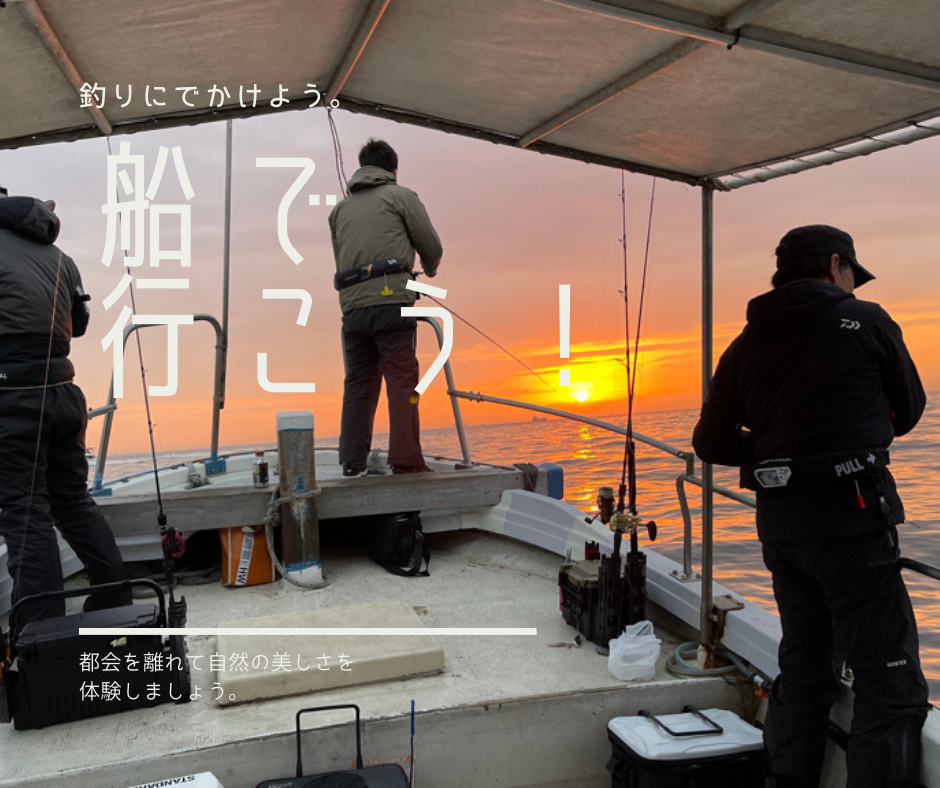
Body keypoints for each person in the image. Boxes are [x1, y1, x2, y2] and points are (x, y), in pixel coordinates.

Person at [692, 225, 930, 788]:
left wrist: (777, 451)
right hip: (853, 522)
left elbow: (709, 441)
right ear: (834, 265)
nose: (852, 286)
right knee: (889, 683)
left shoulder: (743, 346)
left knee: (804, 668)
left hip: (782, 528)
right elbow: (910, 409)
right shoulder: (865, 320)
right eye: (851, 275)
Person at [0, 190, 130, 623]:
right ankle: (115, 601)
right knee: (72, 501)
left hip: (14, 398)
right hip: (64, 395)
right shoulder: (61, 258)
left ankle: (42, 632)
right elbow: (80, 325)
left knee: (25, 513)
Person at [328, 139, 443, 476]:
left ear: (362, 169)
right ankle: (406, 461)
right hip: (393, 305)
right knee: (402, 381)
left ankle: (352, 463)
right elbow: (432, 247)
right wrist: (429, 270)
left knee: (358, 384)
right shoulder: (401, 196)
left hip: (353, 310)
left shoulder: (338, 212)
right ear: (393, 170)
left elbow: (342, 257)